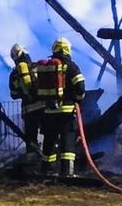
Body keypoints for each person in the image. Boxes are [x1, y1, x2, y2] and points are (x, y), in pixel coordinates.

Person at [36, 37, 86, 178]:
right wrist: (78, 99)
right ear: (68, 49)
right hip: (66, 111)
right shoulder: (71, 67)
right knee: (67, 141)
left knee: (49, 141)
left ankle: (46, 170)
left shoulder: (46, 67)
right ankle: (67, 172)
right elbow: (80, 87)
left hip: (48, 111)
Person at [8, 44, 44, 162]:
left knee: (31, 137)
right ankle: (49, 159)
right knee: (49, 134)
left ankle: (33, 161)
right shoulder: (38, 67)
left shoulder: (14, 74)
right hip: (44, 108)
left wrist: (24, 93)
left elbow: (13, 94)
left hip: (28, 110)